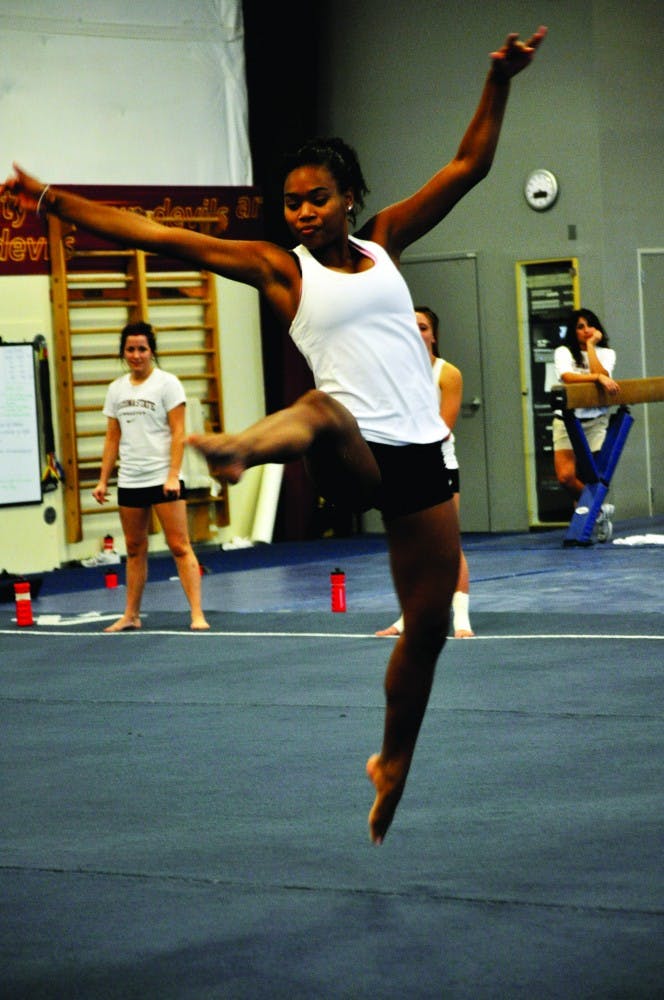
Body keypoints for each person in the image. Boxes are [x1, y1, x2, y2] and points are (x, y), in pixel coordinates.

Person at [2, 25, 546, 842]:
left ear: (350, 196)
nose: (301, 212)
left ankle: (392, 760)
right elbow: (162, 235)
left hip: (423, 458)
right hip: (350, 453)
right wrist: (54, 202)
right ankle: (240, 449)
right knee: (326, 409)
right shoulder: (282, 268)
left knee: (428, 629)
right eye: (291, 202)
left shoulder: (388, 241)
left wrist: (499, 78)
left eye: (315, 198)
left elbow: (469, 166)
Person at [92, 321, 209, 632]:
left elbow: (179, 432)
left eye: (142, 349)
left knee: (179, 545)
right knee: (133, 549)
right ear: (123, 353)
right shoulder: (116, 389)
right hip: (130, 479)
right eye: (130, 349)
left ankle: (197, 613)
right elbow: (112, 438)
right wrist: (104, 479)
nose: (136, 355)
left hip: (163, 478)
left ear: (151, 351)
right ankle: (131, 614)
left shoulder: (167, 384)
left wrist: (173, 475)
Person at [376, 306, 474, 639]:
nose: (416, 333)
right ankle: (409, 616)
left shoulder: (448, 374)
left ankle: (461, 617)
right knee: (411, 547)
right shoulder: (393, 375)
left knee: (448, 544)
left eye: (422, 327)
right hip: (403, 465)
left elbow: (442, 428)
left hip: (438, 465)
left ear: (434, 335)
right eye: (410, 327)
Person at [553, 308, 619, 538]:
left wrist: (591, 347)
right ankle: (598, 510)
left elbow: (605, 377)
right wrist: (597, 377)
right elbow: (568, 378)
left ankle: (589, 516)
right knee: (566, 477)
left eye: (589, 325)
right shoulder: (563, 352)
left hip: (595, 422)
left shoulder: (606, 353)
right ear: (573, 331)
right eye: (580, 327)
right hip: (567, 421)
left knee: (593, 476)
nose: (586, 330)